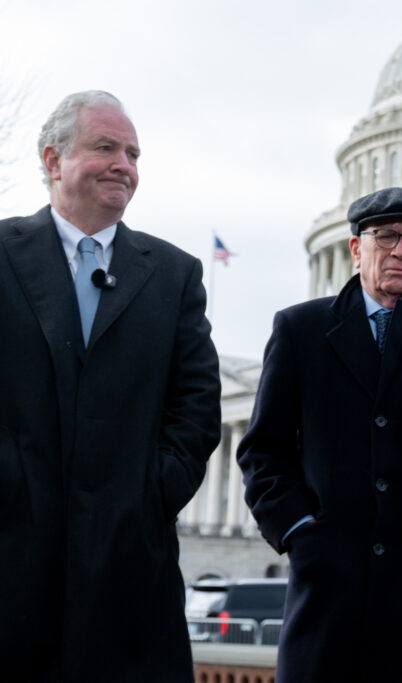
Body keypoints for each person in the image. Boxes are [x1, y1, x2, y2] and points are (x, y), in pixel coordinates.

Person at [0, 90, 221, 681]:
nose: (125, 165)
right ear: (53, 161)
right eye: (106, 148)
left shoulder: (173, 274)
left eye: (133, 154)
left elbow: (197, 407)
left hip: (130, 573)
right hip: (14, 564)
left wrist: (150, 496)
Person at [238, 187, 402, 682]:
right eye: (387, 236)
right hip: (329, 591)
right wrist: (299, 531)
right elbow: (263, 450)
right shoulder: (300, 329)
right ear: (356, 248)